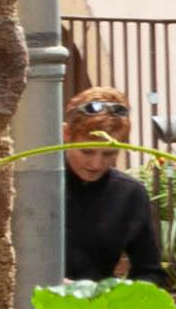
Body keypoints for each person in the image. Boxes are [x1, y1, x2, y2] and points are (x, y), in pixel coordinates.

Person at [58, 100, 165, 292]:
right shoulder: (36, 184)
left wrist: (114, 296)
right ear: (66, 134)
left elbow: (150, 272)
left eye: (109, 154)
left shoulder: (130, 193)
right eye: (87, 151)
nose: (96, 164)